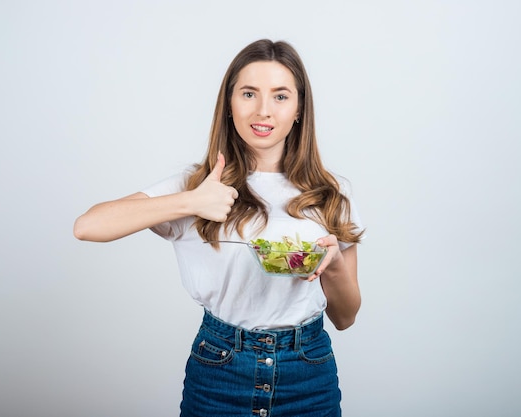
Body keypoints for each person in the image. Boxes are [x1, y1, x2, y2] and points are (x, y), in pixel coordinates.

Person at [74, 39, 364, 417]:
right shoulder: (198, 185)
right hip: (220, 369)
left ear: (298, 110)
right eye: (248, 93)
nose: (263, 110)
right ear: (229, 104)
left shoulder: (331, 193)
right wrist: (190, 201)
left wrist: (335, 264)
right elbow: (87, 226)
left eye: (280, 96)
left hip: (308, 373)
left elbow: (345, 318)